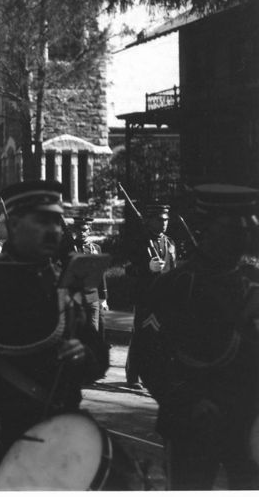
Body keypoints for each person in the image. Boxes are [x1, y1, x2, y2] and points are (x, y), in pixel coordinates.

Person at [0, 180, 110, 488]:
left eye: (57, 219)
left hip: (64, 429)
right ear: (13, 224)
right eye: (42, 220)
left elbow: (99, 355)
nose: (53, 229)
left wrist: (85, 356)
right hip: (5, 428)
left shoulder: (66, 278)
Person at [138, 184, 259, 490]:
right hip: (194, 421)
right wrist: (186, 401)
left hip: (247, 421)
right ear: (204, 229)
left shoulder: (251, 282)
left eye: (247, 226)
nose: (243, 235)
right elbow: (149, 357)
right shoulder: (177, 286)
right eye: (232, 227)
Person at [122, 202, 176, 388]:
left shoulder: (169, 242)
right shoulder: (139, 241)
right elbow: (128, 269)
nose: (164, 223)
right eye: (160, 220)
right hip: (146, 296)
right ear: (150, 220)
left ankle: (154, 373)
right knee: (141, 336)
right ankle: (133, 375)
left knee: (160, 336)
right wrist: (147, 267)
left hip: (164, 297)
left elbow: (173, 270)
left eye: (166, 220)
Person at [58, 215, 108, 333]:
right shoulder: (68, 247)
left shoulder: (96, 249)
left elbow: (101, 275)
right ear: (74, 230)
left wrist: (103, 297)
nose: (82, 232)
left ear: (89, 230)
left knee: (93, 330)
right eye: (79, 229)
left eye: (85, 229)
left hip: (92, 296)